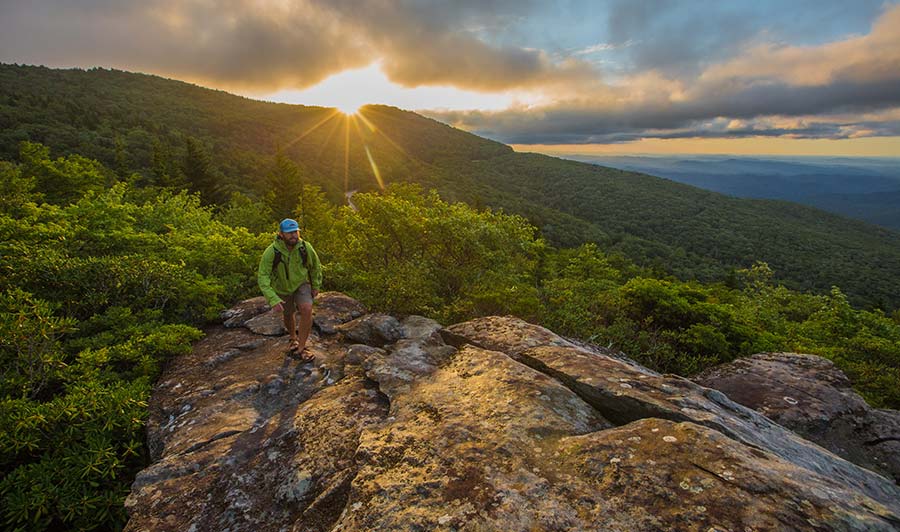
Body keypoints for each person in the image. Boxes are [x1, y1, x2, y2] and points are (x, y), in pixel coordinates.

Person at [258, 218, 323, 361]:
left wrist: (316, 285)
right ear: (281, 234)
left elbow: (315, 267)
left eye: (295, 232)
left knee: (306, 309)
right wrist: (273, 298)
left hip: (302, 283)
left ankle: (301, 347)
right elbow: (263, 276)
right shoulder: (272, 252)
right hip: (282, 287)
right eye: (289, 233)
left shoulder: (305, 247)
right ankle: (292, 337)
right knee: (288, 314)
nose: (293, 235)